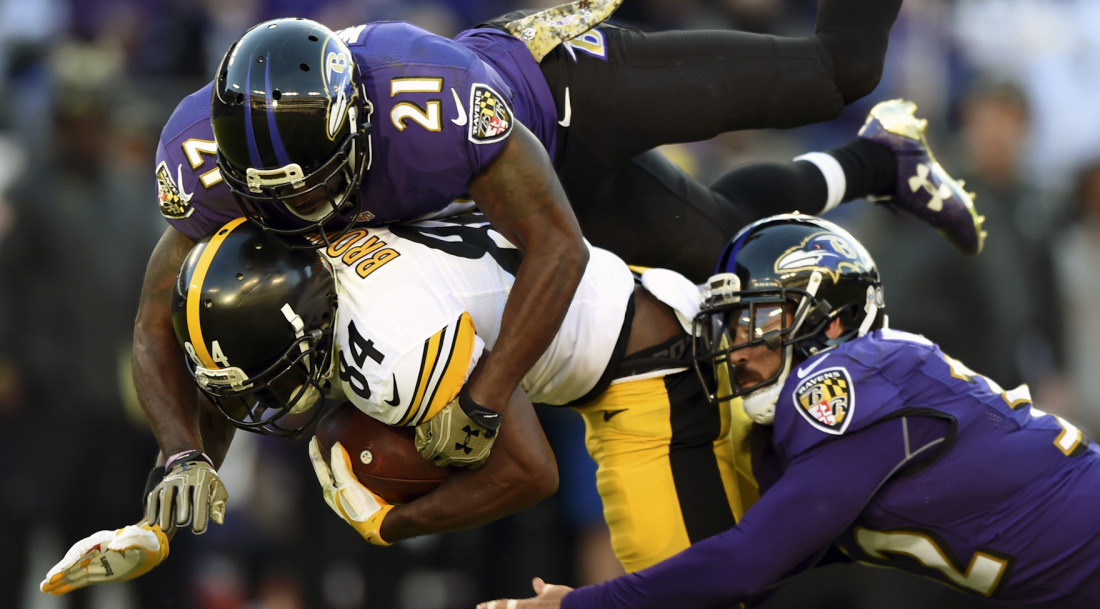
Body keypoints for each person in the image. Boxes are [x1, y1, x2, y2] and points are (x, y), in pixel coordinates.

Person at [136, 0, 986, 544]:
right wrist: (181, 454)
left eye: (327, 185)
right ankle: (880, 163)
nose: (315, 215)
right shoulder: (201, 159)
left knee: (836, 72)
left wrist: (485, 395)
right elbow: (159, 319)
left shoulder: (432, 101)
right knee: (728, 246)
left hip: (561, 106)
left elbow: (559, 248)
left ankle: (874, 142)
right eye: (287, 199)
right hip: (487, 203)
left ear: (359, 117)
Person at [45, 213, 889, 609]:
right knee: (730, 585)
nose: (264, 397)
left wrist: (390, 525)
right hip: (611, 324)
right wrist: (161, 513)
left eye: (269, 376)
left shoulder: (391, 349)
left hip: (642, 371)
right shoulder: (311, 251)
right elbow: (248, 370)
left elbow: (528, 470)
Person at [469, 213, 1100, 609]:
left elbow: (742, 559)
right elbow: (735, 589)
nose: (738, 349)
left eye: (756, 320)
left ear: (832, 320)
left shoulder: (845, 381)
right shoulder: (823, 439)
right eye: (728, 326)